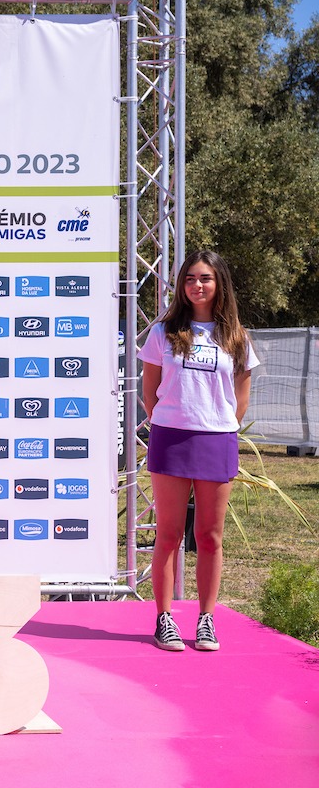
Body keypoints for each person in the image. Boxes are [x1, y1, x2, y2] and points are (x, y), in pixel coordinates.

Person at [137, 250, 258, 653]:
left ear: (218, 283)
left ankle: (206, 620)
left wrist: (216, 423)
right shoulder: (163, 332)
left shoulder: (236, 336)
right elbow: (149, 392)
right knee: (169, 534)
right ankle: (164, 619)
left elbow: (239, 398)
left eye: (205, 278)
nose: (197, 285)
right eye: (190, 278)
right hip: (171, 437)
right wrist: (174, 420)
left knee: (208, 536)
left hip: (216, 440)